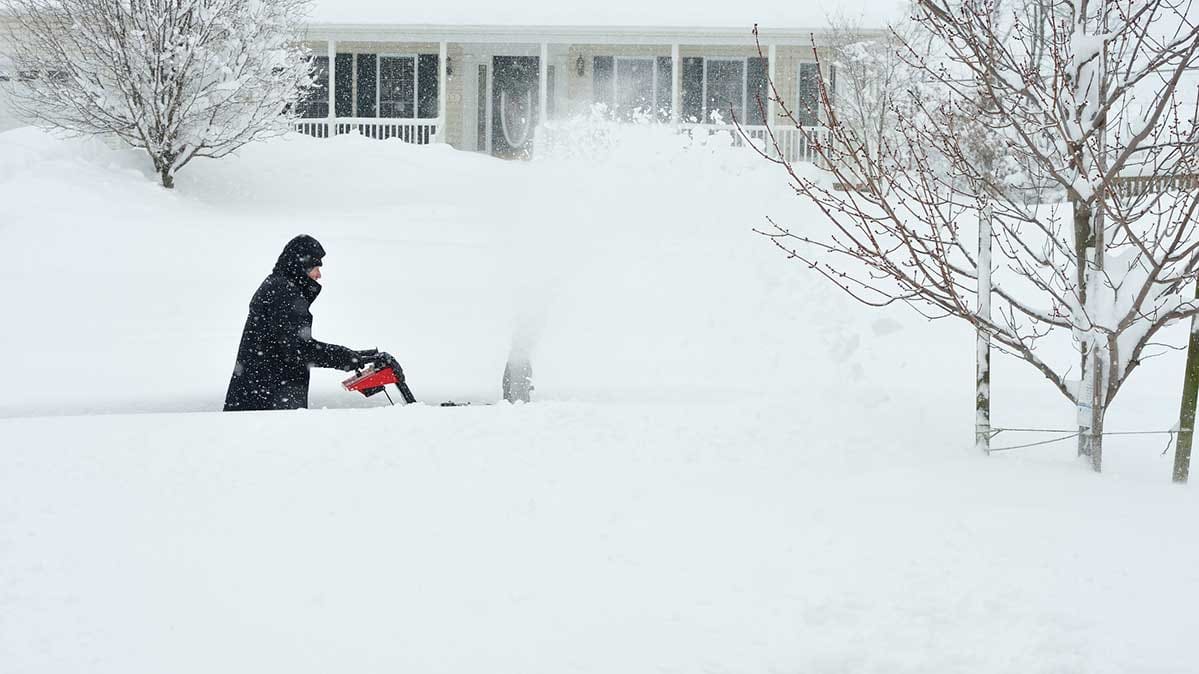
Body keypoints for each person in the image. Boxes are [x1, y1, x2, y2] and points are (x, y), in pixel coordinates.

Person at [224, 235, 368, 411]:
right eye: (315, 267)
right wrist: (343, 357)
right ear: (301, 266)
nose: (319, 274)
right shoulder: (282, 291)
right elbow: (297, 349)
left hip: (263, 399)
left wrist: (348, 355)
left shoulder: (280, 287)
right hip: (265, 406)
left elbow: (291, 347)